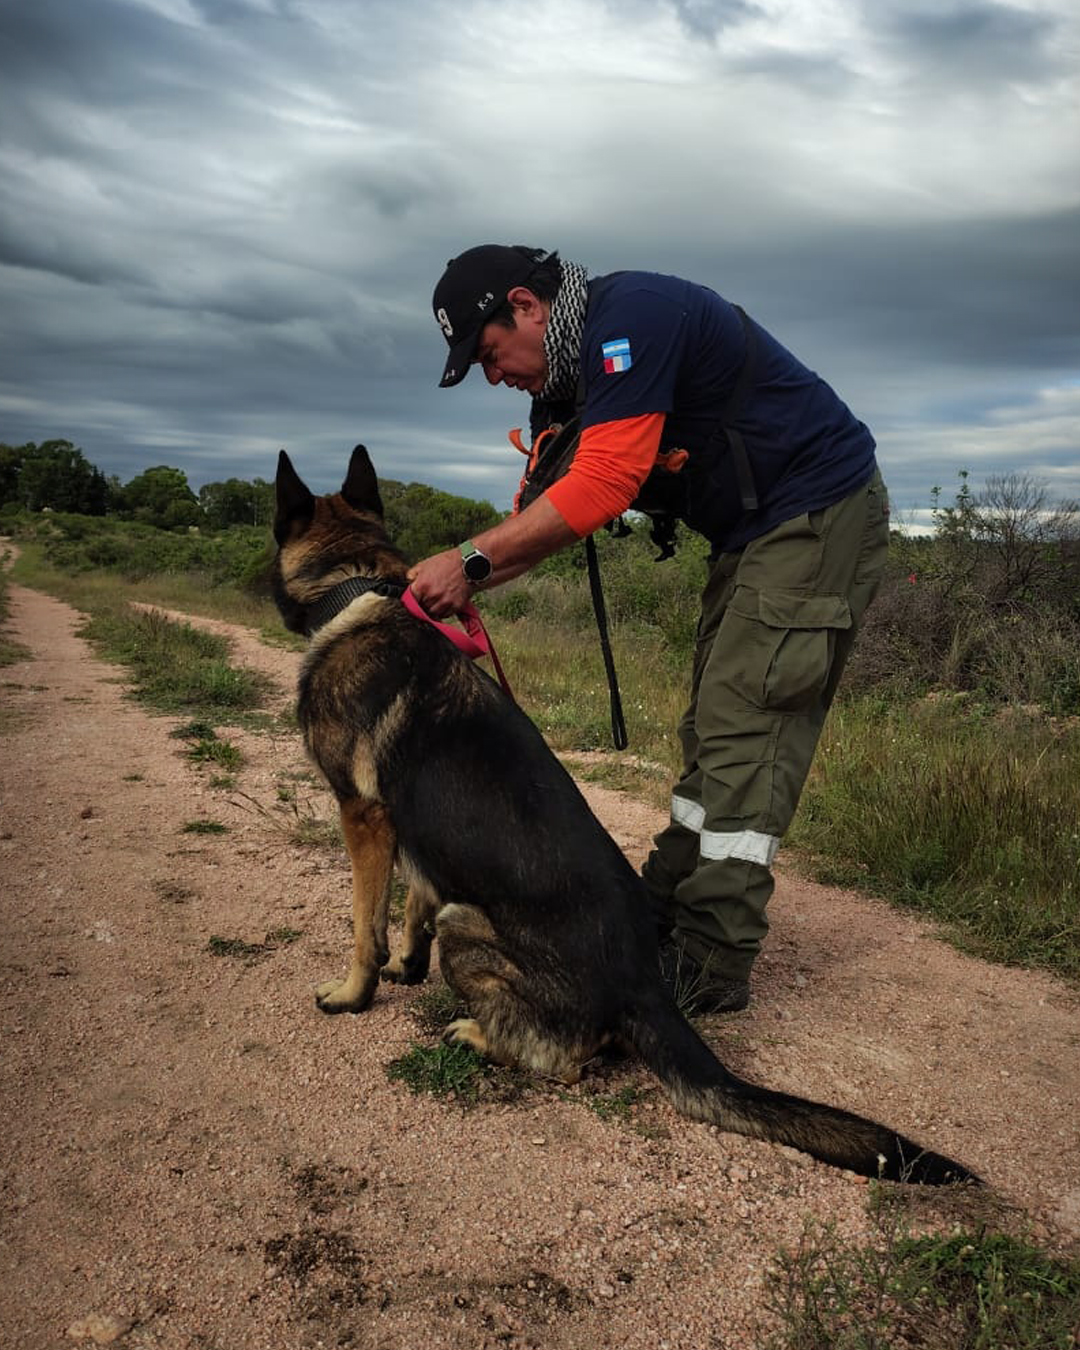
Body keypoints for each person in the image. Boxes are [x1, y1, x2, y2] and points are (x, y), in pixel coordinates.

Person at [408, 244, 890, 1013]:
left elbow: (603, 484)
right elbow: (535, 524)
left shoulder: (633, 318)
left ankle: (710, 957)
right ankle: (660, 908)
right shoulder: (565, 389)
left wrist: (463, 562)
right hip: (753, 533)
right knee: (713, 721)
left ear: (526, 307)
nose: (495, 377)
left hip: (818, 508)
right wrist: (447, 593)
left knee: (748, 723)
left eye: (491, 354)